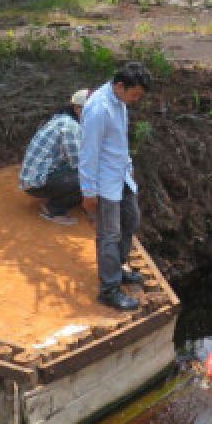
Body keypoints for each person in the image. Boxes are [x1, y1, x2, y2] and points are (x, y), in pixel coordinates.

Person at [79, 61, 151, 311]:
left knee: (131, 221)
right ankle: (109, 290)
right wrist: (88, 191)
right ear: (120, 86)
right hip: (104, 183)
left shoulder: (119, 103)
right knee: (109, 235)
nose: (136, 99)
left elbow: (118, 140)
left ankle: (117, 269)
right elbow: (88, 152)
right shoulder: (98, 109)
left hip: (121, 176)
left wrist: (128, 164)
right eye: (135, 94)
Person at [19, 88, 89, 225]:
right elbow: (78, 162)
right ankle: (53, 210)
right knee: (90, 176)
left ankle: (58, 198)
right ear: (78, 109)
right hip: (36, 183)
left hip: (34, 178)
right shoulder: (71, 127)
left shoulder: (62, 119)